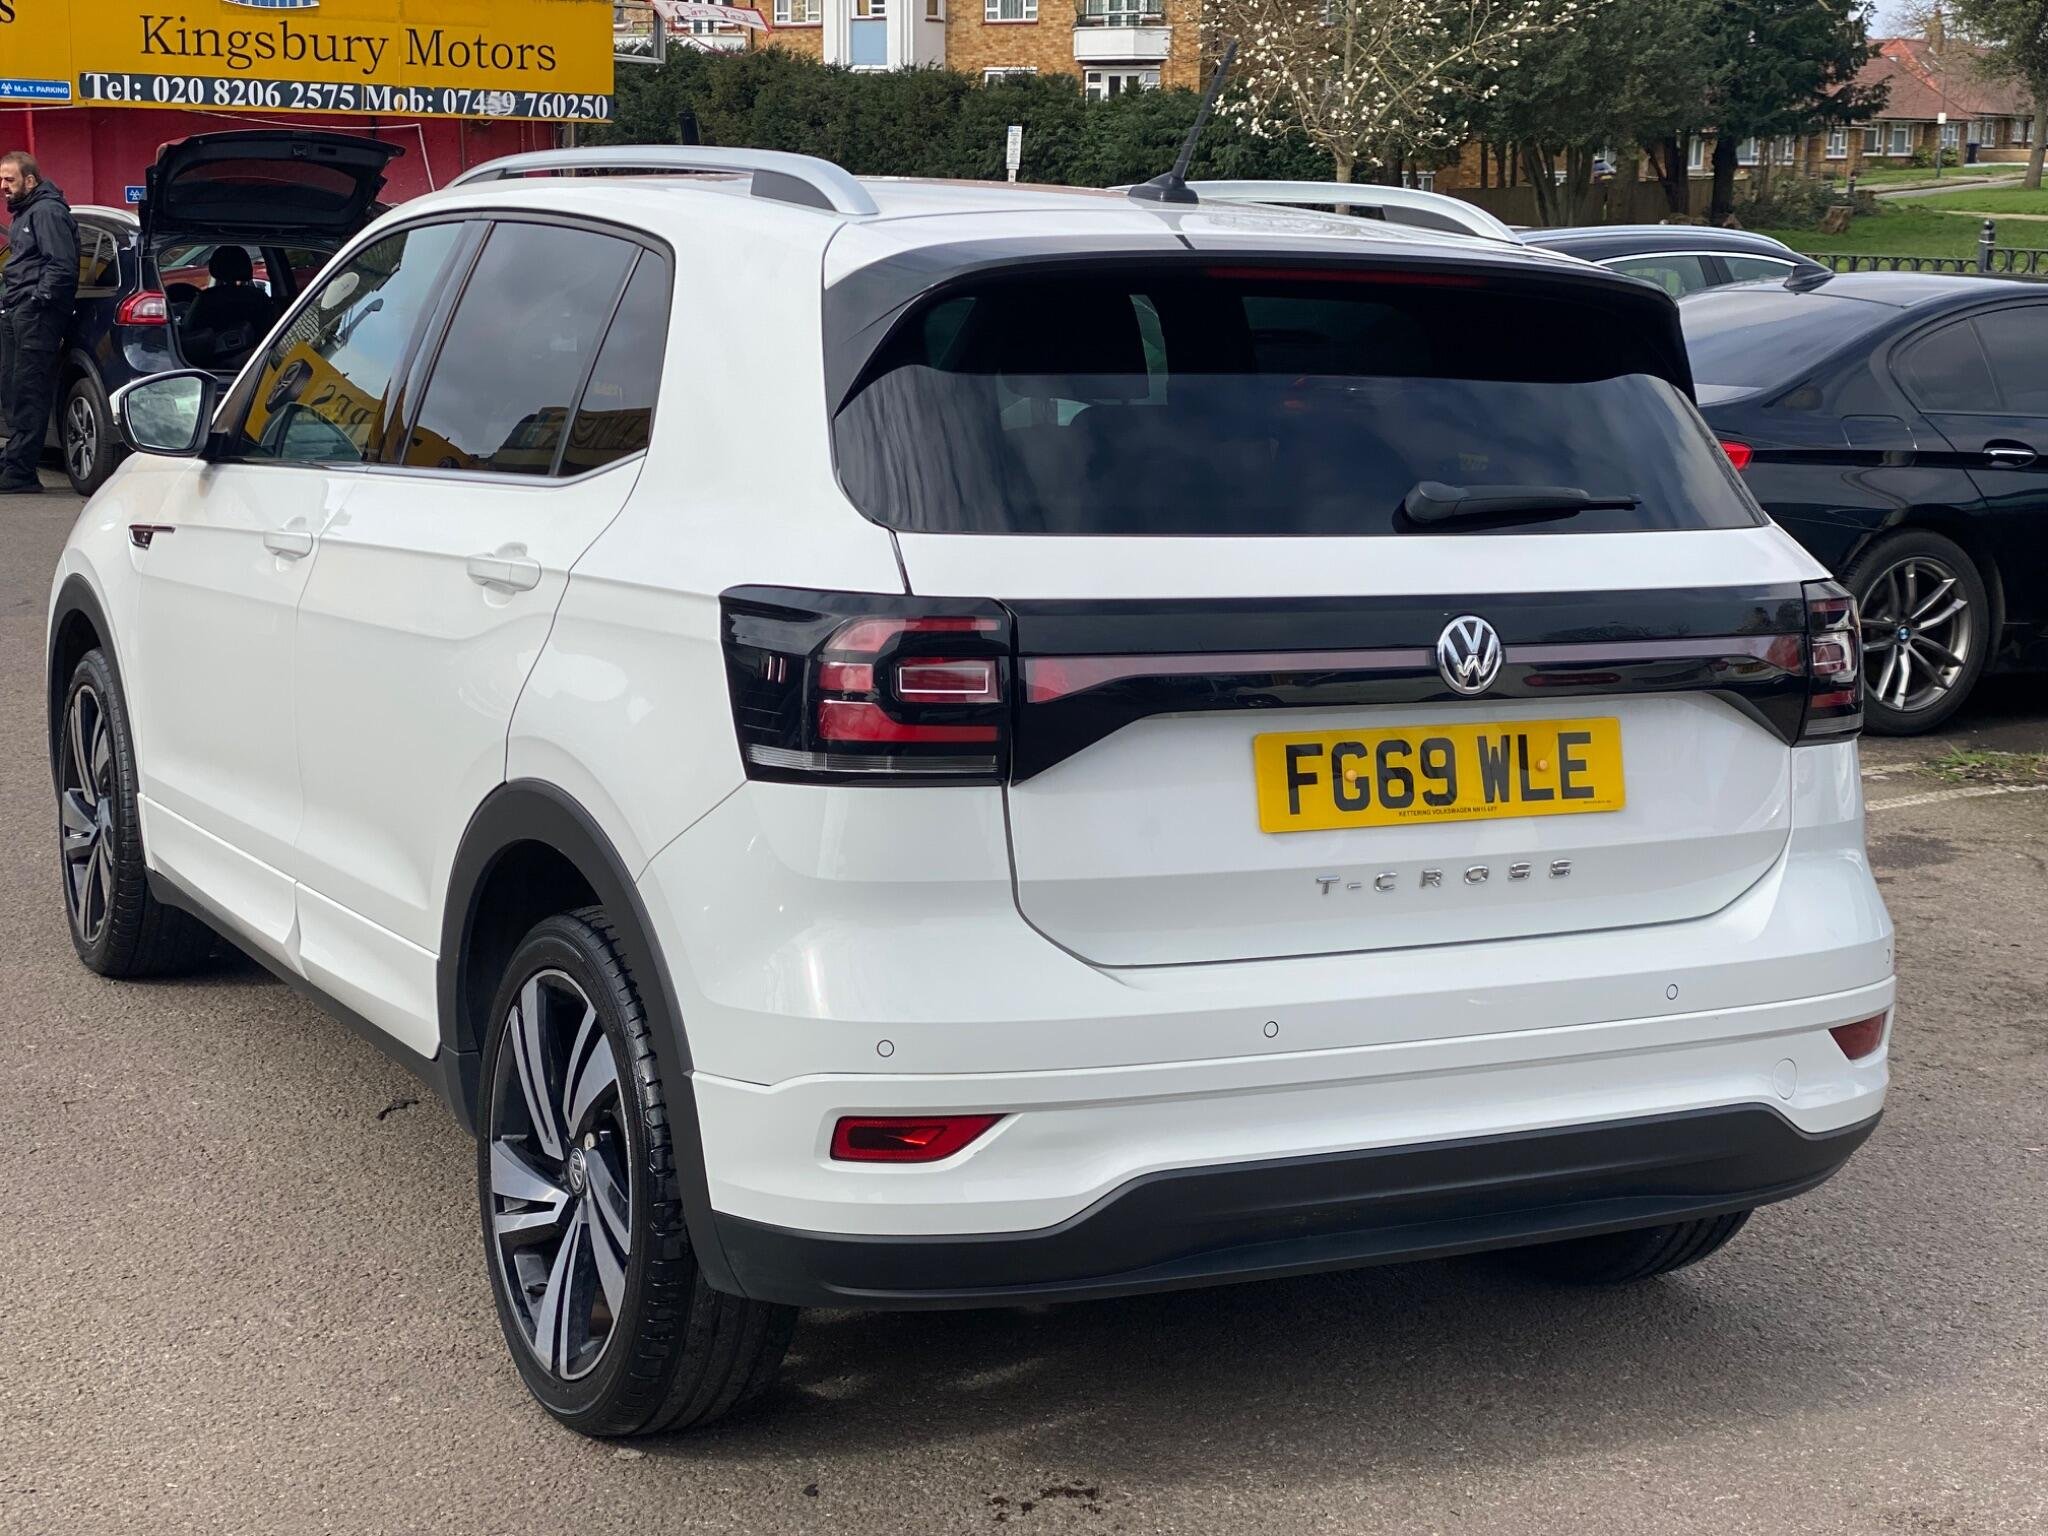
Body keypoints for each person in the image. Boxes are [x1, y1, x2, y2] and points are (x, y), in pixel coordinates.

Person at [0, 151, 79, 494]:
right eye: (1, 180)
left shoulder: (47, 211)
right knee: (14, 389)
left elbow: (62, 265)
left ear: (30, 180)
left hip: (37, 314)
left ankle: (21, 474)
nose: (3, 186)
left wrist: (37, 300)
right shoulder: (25, 213)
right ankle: (13, 460)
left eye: (10, 179)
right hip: (18, 310)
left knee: (29, 391)